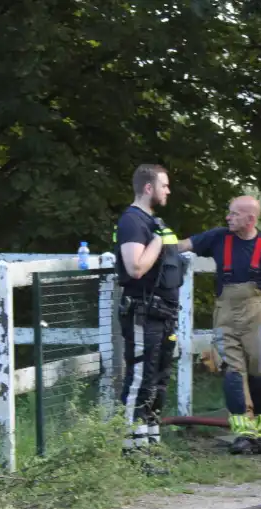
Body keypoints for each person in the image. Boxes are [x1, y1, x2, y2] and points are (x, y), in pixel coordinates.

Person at [179, 196, 261, 455]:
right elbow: (184, 245)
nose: (228, 218)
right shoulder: (218, 237)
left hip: (258, 315)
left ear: (251, 219)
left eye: (234, 214)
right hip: (225, 315)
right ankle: (242, 432)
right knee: (232, 372)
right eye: (229, 213)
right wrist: (154, 244)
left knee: (259, 372)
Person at [113, 163, 186, 456]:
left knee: (159, 380)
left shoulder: (153, 221)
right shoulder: (133, 222)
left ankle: (151, 443)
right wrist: (157, 242)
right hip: (143, 312)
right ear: (148, 188)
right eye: (164, 185)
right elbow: (135, 267)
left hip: (164, 313)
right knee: (140, 379)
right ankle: (132, 449)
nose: (168, 190)